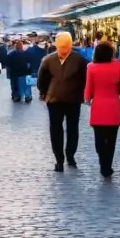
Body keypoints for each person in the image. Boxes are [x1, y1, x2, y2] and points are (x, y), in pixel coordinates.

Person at [36, 32, 88, 171]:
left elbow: (85, 79)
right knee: (56, 129)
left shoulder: (80, 60)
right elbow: (41, 81)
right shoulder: (47, 60)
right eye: (61, 46)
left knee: (72, 128)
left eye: (66, 46)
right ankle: (59, 159)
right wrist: (44, 92)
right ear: (56, 46)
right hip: (54, 100)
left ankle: (70, 155)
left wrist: (83, 94)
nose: (63, 49)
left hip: (73, 100)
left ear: (71, 45)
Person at [84, 40, 120, 178]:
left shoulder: (91, 67)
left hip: (98, 107)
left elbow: (88, 89)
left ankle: (102, 163)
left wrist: (87, 98)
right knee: (111, 140)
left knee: (99, 140)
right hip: (113, 107)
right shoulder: (118, 66)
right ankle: (107, 166)